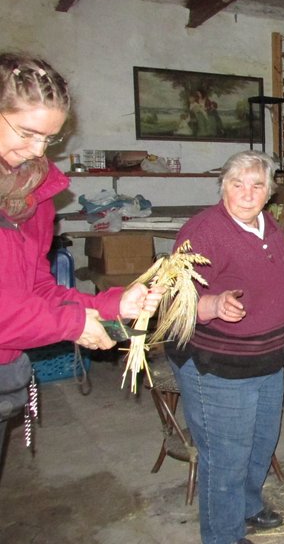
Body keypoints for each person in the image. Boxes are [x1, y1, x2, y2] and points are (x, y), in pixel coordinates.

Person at [165, 150, 284, 544]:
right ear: (223, 187)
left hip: (267, 361)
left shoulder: (267, 225)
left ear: (270, 192)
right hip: (218, 366)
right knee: (226, 458)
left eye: (257, 185)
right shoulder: (203, 232)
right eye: (237, 184)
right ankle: (224, 536)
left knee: (260, 444)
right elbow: (171, 298)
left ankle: (248, 507)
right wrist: (212, 305)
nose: (247, 193)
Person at [0, 52, 164, 457]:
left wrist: (111, 305)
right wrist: (72, 324)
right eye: (26, 133)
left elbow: (36, 288)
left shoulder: (31, 196)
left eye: (49, 138)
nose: (38, 150)